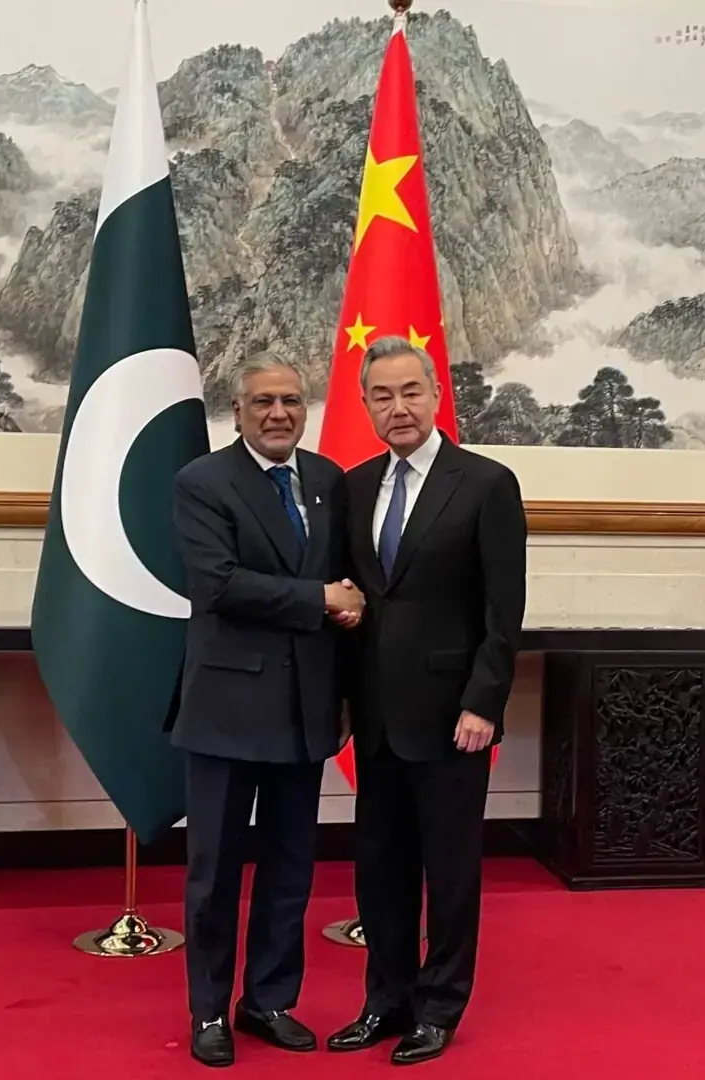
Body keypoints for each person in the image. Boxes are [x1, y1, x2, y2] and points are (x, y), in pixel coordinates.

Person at [326, 336, 528, 1066]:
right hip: (375, 717)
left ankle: (439, 1006)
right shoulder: (350, 487)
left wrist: (484, 701)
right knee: (378, 870)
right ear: (367, 406)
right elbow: (350, 603)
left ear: (437, 394)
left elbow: (504, 611)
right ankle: (384, 1000)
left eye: (410, 391)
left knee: (448, 871)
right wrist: (340, 699)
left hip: (452, 718)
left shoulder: (485, 483)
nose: (398, 407)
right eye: (382, 396)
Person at [169, 354, 365, 1068]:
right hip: (226, 707)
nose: (278, 413)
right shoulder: (203, 482)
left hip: (306, 706)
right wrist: (320, 602)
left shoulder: (327, 482)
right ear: (238, 410)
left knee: (291, 867)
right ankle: (209, 1011)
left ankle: (270, 1001)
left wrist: (343, 687)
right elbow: (219, 585)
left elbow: (345, 584)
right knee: (216, 870)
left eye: (290, 400)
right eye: (263, 403)